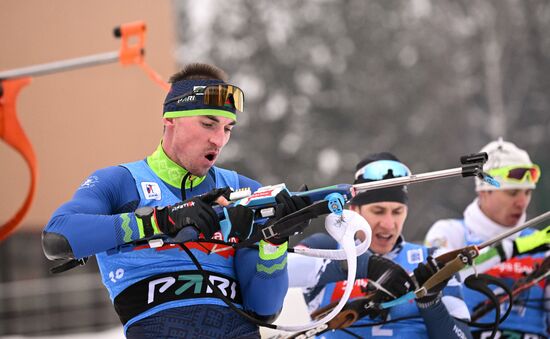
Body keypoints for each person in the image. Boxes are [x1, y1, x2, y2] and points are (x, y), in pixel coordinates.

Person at [42, 63, 309, 339]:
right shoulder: (122, 183)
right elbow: (58, 237)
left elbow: (264, 311)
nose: (219, 140)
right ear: (170, 118)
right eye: (207, 124)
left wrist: (274, 243)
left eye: (228, 129)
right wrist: (163, 219)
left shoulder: (241, 189)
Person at [288, 152, 472, 339]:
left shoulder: (434, 258)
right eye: (378, 211)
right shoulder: (325, 249)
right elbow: (275, 271)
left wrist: (430, 302)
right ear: (354, 210)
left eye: (397, 211)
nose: (388, 223)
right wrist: (362, 265)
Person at [425, 138, 549, 339]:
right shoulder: (449, 232)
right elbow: (438, 282)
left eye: (527, 192)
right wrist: (511, 249)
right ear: (484, 190)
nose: (522, 202)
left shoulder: (541, 241)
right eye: (512, 192)